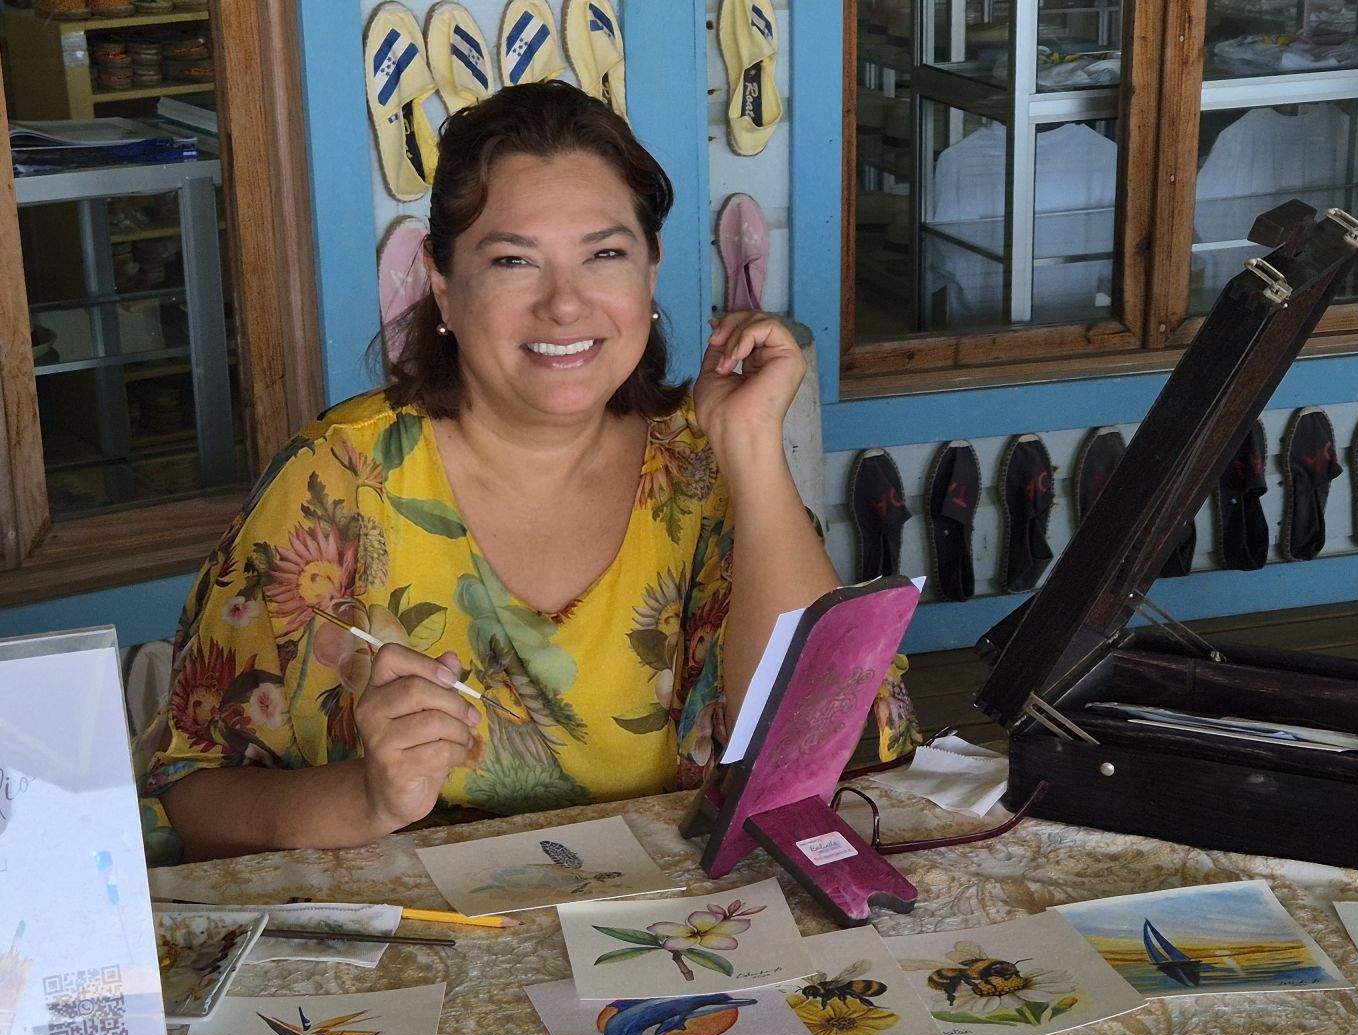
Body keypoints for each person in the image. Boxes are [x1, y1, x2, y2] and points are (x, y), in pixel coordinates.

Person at [133, 82, 917, 866]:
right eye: (513, 261)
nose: (565, 305)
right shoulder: (339, 480)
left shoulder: (702, 468)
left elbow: (834, 745)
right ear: (442, 284)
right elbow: (194, 794)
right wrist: (367, 796)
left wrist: (749, 448)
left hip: (680, 938)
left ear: (651, 273)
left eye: (605, 254)